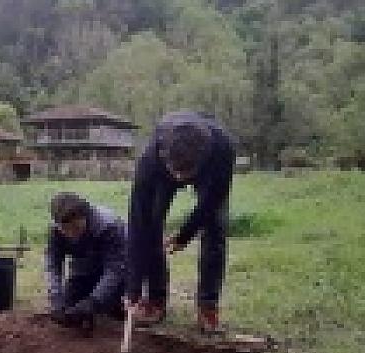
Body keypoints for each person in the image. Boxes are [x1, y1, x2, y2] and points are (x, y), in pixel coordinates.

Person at [126, 111, 236, 333]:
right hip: (161, 173)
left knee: (215, 227)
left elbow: (211, 203)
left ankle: (208, 307)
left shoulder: (223, 149)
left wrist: (184, 235)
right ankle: (155, 300)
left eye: (186, 173)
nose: (180, 179)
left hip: (208, 172)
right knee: (151, 227)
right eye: (176, 172)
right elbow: (138, 226)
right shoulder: (151, 160)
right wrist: (133, 288)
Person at [45, 192, 127, 327]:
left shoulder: (110, 226)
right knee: (68, 308)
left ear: (85, 216)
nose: (71, 234)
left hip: (120, 271)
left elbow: (115, 270)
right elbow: (53, 264)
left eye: (76, 228)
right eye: (65, 230)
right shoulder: (56, 230)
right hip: (84, 269)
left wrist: (94, 301)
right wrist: (56, 297)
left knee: (113, 309)